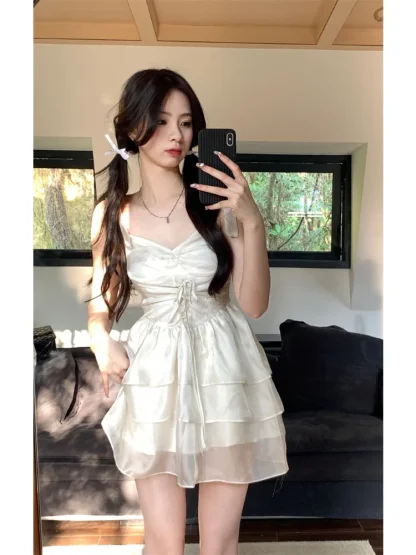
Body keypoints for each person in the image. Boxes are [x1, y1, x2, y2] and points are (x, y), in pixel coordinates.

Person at [87, 68, 288, 555]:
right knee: (163, 540)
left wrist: (252, 221)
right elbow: (100, 299)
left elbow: (254, 305)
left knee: (219, 542)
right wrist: (99, 338)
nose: (176, 135)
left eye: (185, 122)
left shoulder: (216, 204)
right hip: (156, 377)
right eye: (160, 120)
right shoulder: (111, 213)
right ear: (133, 126)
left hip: (225, 372)